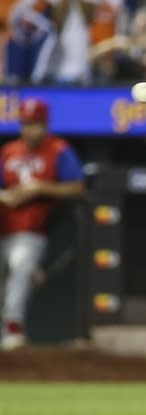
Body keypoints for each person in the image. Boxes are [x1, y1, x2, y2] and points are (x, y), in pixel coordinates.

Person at [0, 98, 85, 350]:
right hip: (4, 223)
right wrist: (7, 196)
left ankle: (13, 328)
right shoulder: (8, 152)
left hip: (31, 229)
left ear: (46, 124)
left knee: (20, 270)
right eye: (26, 123)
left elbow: (77, 187)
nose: (31, 129)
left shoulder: (58, 150)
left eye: (36, 124)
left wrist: (40, 187)